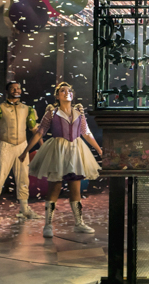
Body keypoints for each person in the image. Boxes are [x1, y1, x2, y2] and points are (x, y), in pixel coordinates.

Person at [21, 82, 102, 237]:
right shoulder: (52, 113)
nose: (67, 93)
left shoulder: (78, 112)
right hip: (58, 150)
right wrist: (26, 151)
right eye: (63, 91)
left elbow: (86, 132)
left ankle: (79, 223)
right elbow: (40, 132)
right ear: (57, 96)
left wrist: (99, 150)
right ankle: (48, 225)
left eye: (69, 90)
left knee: (75, 188)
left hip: (75, 151)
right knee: (55, 187)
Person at [0, 81, 41, 230]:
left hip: (22, 146)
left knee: (23, 178)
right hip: (5, 145)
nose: (16, 90)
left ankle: (24, 209)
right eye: (13, 88)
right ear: (7, 91)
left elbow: (35, 130)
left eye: (18, 88)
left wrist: (43, 146)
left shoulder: (27, 109)